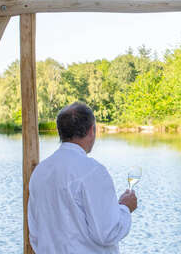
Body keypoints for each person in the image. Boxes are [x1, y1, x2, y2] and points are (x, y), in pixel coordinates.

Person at [28, 102, 137, 253]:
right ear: (92, 130)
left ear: (61, 132)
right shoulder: (93, 171)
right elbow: (108, 232)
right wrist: (125, 207)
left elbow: (35, 234)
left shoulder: (40, 172)